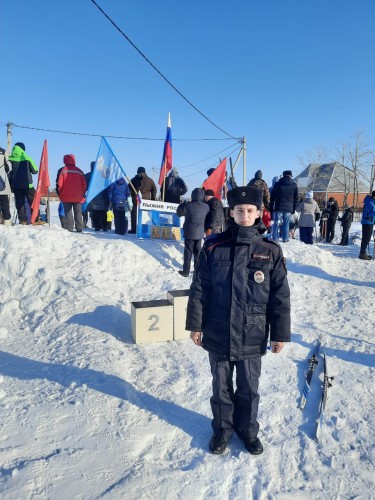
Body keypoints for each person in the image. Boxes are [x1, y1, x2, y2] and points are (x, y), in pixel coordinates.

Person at [186, 186, 291, 455]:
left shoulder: (270, 251)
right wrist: (196, 324)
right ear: (230, 213)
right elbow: (200, 288)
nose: (244, 214)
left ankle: (247, 430)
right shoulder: (213, 246)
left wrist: (280, 334)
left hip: (252, 333)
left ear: (259, 214)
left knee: (248, 387)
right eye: (239, 210)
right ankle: (222, 429)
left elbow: (280, 297)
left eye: (250, 211)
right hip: (218, 329)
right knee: (220, 386)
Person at [176, 188, 209, 277]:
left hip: (189, 233)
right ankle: (197, 271)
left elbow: (179, 213)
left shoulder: (188, 205)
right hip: (199, 234)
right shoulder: (206, 207)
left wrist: (183, 204)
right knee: (197, 253)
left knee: (188, 252)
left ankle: (186, 271)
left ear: (193, 195)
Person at [7, 142, 41, 224]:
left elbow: (7, 172)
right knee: (33, 201)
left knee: (19, 202)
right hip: (28, 184)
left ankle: (22, 220)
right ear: (23, 149)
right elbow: (35, 171)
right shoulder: (27, 158)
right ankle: (36, 219)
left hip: (15, 185)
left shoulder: (9, 159)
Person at [56, 154, 86, 232]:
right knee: (78, 212)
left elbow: (60, 184)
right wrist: (82, 193)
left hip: (66, 195)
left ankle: (69, 228)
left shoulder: (63, 170)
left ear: (64, 161)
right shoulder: (79, 171)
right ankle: (79, 228)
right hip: (78, 196)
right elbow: (84, 184)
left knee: (68, 212)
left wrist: (60, 193)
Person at [269, 170, 298, 243]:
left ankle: (275, 238)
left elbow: (272, 197)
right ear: (290, 176)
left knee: (276, 222)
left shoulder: (277, 184)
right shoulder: (294, 185)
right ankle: (285, 238)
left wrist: (271, 207)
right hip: (288, 208)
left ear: (283, 175)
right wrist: (294, 209)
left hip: (278, 207)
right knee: (286, 223)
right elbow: (296, 199)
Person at [128, 166, 157, 234]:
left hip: (136, 199)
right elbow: (154, 190)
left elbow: (128, 189)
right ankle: (145, 229)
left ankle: (134, 229)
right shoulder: (150, 180)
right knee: (146, 215)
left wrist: (130, 195)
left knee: (134, 214)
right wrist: (153, 199)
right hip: (147, 201)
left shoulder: (133, 179)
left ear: (137, 172)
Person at [85, 161, 110, 232]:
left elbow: (85, 186)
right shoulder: (103, 175)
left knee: (95, 213)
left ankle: (97, 227)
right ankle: (105, 227)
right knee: (103, 213)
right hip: (103, 197)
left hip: (93, 198)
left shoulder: (87, 176)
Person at [359, 191, 375, 260]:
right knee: (366, 238)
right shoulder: (369, 203)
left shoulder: (372, 202)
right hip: (367, 223)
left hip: (370, 222)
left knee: (367, 238)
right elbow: (366, 214)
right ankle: (362, 254)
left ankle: (363, 253)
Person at [0, 147, 12, 225]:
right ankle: (7, 221)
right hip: (1, 182)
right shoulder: (3, 151)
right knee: (4, 201)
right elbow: (8, 167)